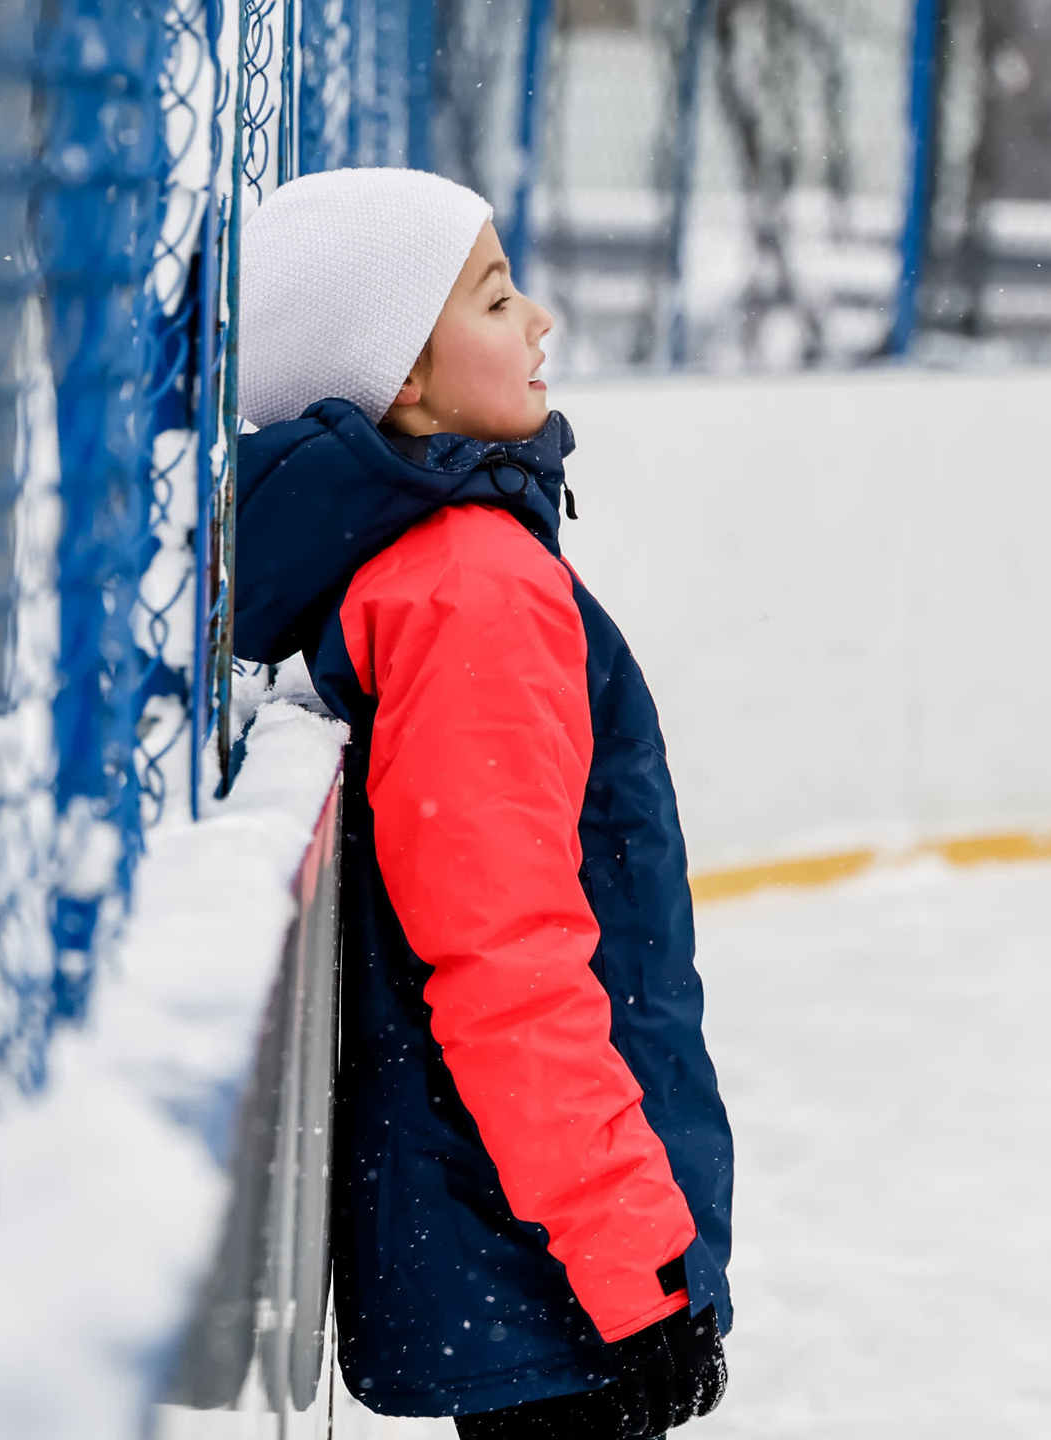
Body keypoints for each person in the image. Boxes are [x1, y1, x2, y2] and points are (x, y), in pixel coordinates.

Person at [229, 168, 733, 1439]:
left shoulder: (418, 567)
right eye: (497, 297)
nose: (541, 319)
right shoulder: (472, 591)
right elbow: (506, 962)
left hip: (500, 1247)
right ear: (404, 375)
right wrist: (636, 1274)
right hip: (545, 1271)